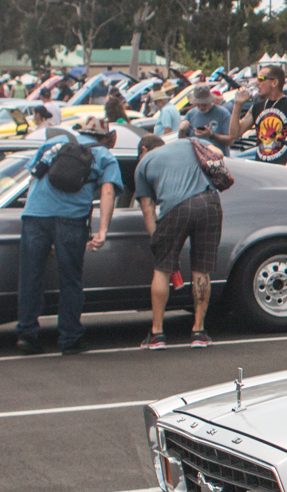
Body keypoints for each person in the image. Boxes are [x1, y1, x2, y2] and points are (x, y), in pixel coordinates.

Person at [16, 119, 121, 355]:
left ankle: (27, 334)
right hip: (71, 219)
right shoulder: (104, 155)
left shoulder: (53, 142)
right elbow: (107, 191)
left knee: (30, 276)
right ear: (105, 137)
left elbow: (34, 177)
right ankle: (70, 337)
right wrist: (103, 229)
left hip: (35, 215)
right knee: (70, 279)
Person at [133, 131, 222, 348]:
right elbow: (218, 153)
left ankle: (157, 334)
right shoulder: (187, 143)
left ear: (143, 150)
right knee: (202, 270)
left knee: (163, 269)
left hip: (175, 209)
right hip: (208, 202)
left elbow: (148, 209)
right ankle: (199, 332)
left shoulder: (143, 164)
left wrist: (157, 241)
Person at [235, 67, 287, 162]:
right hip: (261, 168)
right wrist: (237, 104)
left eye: (261, 79)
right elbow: (235, 134)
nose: (257, 83)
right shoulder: (257, 107)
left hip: (282, 171)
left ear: (274, 83)